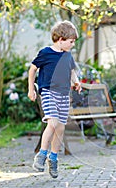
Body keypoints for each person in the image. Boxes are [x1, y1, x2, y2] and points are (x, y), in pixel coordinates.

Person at [28, 20, 81, 178]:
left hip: (64, 94)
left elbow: (72, 71)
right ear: (61, 39)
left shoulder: (67, 55)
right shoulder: (45, 53)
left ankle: (53, 158)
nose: (72, 45)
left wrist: (76, 81)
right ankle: (41, 155)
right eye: (71, 42)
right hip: (48, 92)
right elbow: (32, 70)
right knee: (52, 123)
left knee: (60, 128)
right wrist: (31, 89)